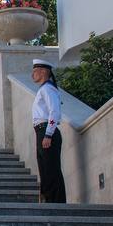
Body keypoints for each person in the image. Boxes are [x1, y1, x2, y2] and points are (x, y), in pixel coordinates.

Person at [31, 58, 66, 203]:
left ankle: (56, 202)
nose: (32, 75)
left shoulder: (48, 89)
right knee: (45, 170)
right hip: (41, 131)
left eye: (35, 71)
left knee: (51, 169)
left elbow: (54, 112)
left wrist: (48, 134)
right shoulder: (43, 89)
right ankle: (49, 200)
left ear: (43, 72)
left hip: (46, 131)